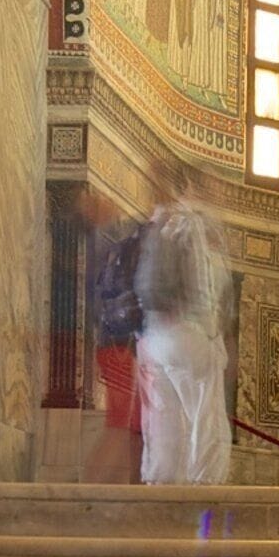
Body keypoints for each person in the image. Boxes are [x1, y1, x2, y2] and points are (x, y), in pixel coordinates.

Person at [133, 175, 232, 484]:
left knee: (163, 421)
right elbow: (203, 289)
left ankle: (160, 489)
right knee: (206, 419)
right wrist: (212, 335)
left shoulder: (160, 220)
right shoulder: (195, 224)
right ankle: (205, 491)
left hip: (154, 337)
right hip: (190, 335)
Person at [80, 187, 149, 484]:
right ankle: (83, 493)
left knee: (136, 424)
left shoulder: (108, 245)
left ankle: (137, 488)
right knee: (120, 423)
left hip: (123, 344)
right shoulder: (106, 247)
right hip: (118, 344)